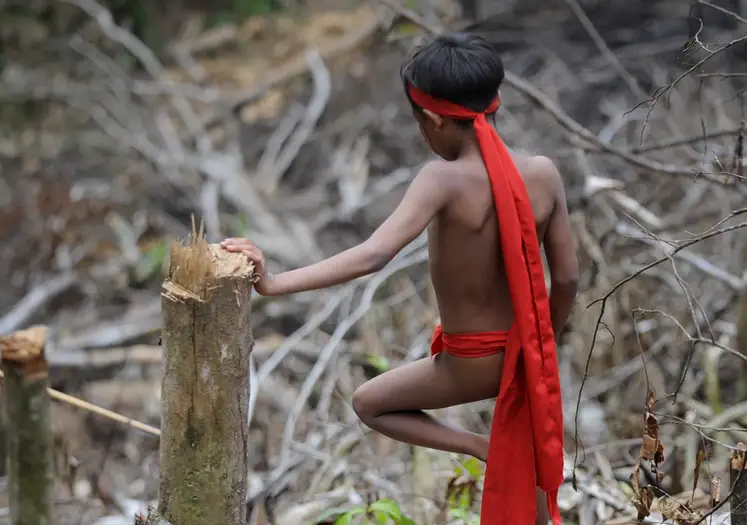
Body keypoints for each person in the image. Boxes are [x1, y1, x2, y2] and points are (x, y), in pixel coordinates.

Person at [220, 32, 579, 525]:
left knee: (368, 402)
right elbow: (568, 278)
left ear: (431, 119)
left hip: (469, 362)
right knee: (533, 482)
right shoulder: (544, 173)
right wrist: (541, 345)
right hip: (526, 355)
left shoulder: (441, 179)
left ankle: (480, 447)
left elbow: (374, 255)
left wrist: (273, 282)